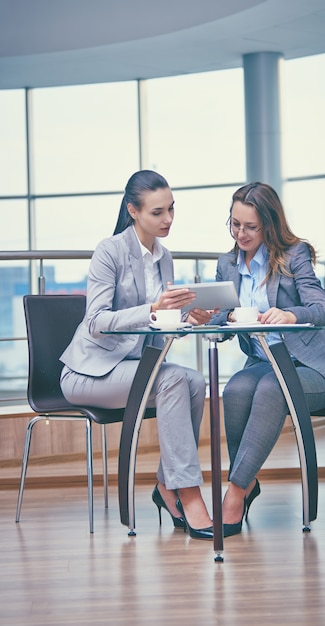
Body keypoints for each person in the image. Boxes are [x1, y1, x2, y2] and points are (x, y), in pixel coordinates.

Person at [60, 170, 214, 540]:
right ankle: (189, 493)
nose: (168, 220)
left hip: (132, 368)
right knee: (177, 378)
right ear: (133, 211)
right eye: (158, 212)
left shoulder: (164, 257)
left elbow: (158, 330)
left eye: (172, 210)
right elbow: (96, 322)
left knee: (194, 379)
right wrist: (153, 309)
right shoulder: (109, 251)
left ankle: (167, 486)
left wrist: (187, 319)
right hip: (89, 374)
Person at [211, 182, 325, 537]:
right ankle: (246, 483)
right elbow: (219, 324)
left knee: (273, 389)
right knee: (237, 389)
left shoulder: (293, 255)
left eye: (250, 227)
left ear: (269, 225)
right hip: (263, 363)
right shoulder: (227, 265)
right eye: (235, 224)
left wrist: (291, 315)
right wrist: (217, 318)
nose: (241, 234)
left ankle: (235, 493)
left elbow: (322, 311)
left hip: (315, 368)